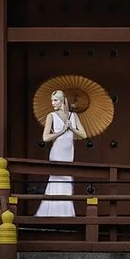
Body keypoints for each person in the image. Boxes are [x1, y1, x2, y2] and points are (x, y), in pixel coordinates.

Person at [38, 88, 86, 218]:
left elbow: (83, 135)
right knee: (56, 179)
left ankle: (67, 213)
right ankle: (52, 213)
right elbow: (45, 137)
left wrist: (71, 127)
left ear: (63, 101)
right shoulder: (51, 116)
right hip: (57, 152)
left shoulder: (73, 116)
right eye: (52, 100)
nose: (53, 103)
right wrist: (61, 131)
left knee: (67, 179)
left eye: (55, 100)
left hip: (68, 153)